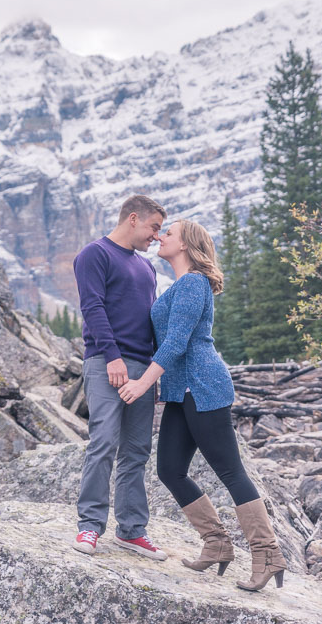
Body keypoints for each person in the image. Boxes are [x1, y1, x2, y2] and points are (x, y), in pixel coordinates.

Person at [119, 219, 287, 591]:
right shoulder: (179, 286)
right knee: (169, 469)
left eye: (169, 234)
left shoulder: (194, 283)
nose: (161, 237)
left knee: (230, 471)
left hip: (203, 385)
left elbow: (177, 341)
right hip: (181, 391)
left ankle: (268, 552)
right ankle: (217, 543)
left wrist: (142, 383)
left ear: (186, 245)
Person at [72, 194, 168, 560]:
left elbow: (151, 320)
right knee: (104, 442)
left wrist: (153, 376)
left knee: (137, 450)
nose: (156, 237)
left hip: (143, 369)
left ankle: (131, 530)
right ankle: (89, 527)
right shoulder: (95, 254)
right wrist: (112, 357)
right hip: (106, 362)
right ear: (132, 218)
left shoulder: (146, 268)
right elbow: (92, 306)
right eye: (153, 228)